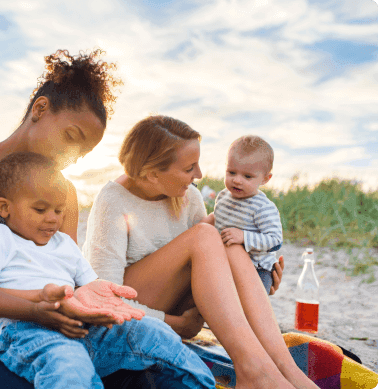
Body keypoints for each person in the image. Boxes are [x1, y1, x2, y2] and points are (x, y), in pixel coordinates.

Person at [0, 50, 184, 389]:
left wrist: (84, 302)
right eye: (71, 138)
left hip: (44, 335)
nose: (71, 158)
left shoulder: (64, 195)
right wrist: (31, 308)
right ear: (40, 109)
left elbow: (65, 283)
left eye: (83, 152)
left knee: (154, 377)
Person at [84, 115, 319, 389]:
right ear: (152, 174)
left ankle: (285, 370)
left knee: (229, 242)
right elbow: (106, 301)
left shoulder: (188, 195)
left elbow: (210, 272)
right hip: (128, 314)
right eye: (189, 168)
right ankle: (254, 372)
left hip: (178, 306)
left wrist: (258, 281)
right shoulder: (112, 201)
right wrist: (175, 323)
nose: (199, 175)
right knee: (208, 233)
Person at [0, 151, 217, 389]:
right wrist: (36, 309)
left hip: (81, 327)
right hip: (24, 332)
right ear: (4, 208)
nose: (52, 219)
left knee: (153, 332)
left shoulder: (64, 243)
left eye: (58, 210)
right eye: (40, 209)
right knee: (69, 365)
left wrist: (102, 300)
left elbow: (90, 286)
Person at [203, 135, 283, 294]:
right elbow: (217, 217)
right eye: (231, 172)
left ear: (265, 179)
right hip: (225, 265)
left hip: (257, 269)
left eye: (247, 176)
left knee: (252, 305)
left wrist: (244, 237)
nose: (237, 180)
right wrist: (202, 226)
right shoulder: (223, 197)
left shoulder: (262, 207)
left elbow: (275, 241)